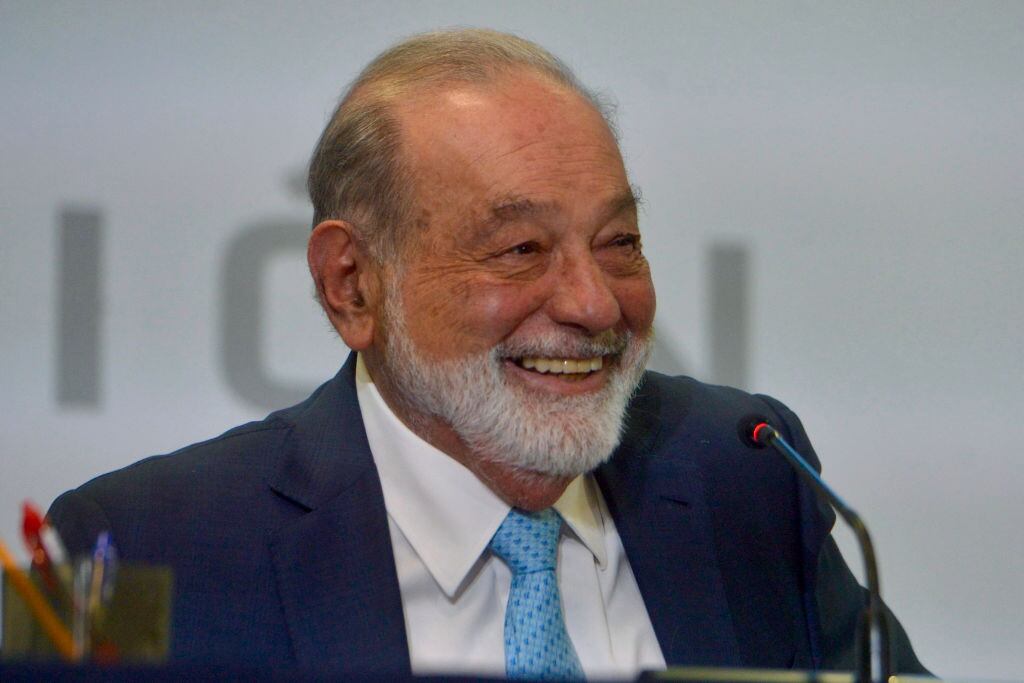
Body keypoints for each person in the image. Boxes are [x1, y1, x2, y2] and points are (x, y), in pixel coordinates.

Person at [48, 29, 926, 678]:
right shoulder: (121, 546)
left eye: (619, 240)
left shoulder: (748, 469)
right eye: (519, 250)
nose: (593, 302)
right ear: (352, 284)